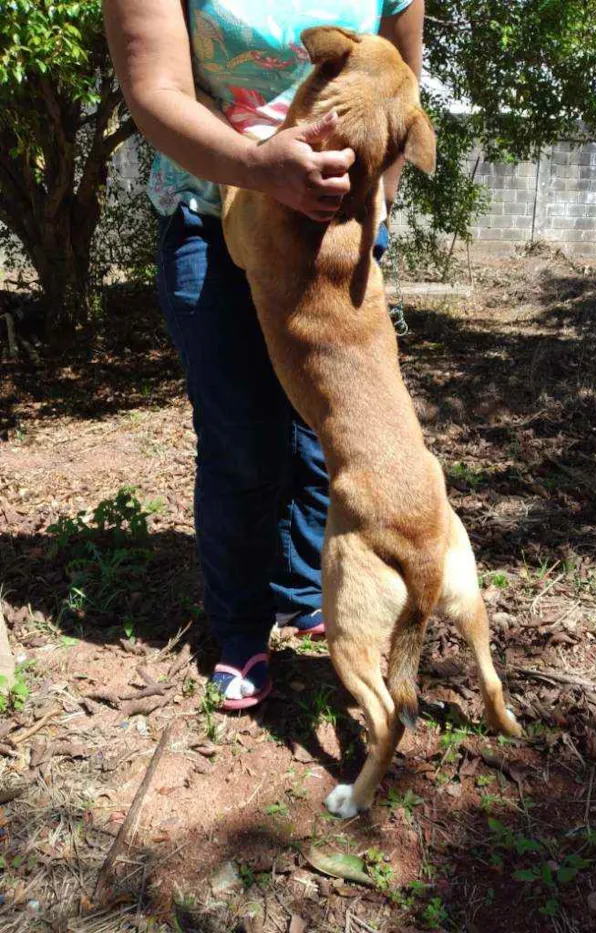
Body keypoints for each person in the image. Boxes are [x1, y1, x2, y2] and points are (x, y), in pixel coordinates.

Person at [103, 0, 424, 709]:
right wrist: (257, 165)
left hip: (337, 232)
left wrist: (376, 208)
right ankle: (242, 625)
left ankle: (298, 590)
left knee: (322, 432)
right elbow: (153, 90)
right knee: (243, 441)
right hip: (215, 211)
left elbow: (403, 87)